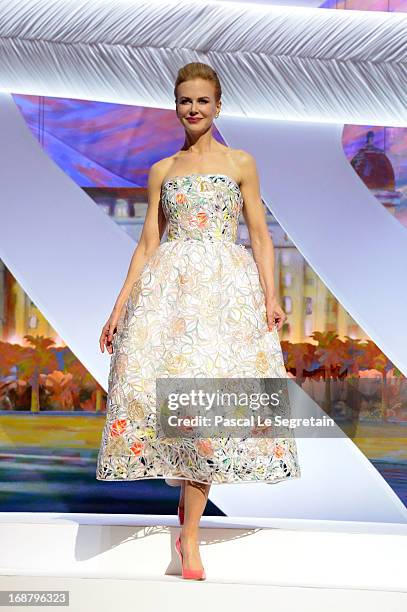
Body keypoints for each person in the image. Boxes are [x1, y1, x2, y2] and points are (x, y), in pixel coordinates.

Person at [96, 62, 301, 580]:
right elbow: (147, 243)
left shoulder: (240, 162)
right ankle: (188, 533)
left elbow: (259, 235)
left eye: (202, 101)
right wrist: (120, 306)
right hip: (169, 292)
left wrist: (271, 296)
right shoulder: (161, 170)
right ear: (176, 105)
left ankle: (188, 538)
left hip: (224, 294)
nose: (193, 109)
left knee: (209, 412)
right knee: (169, 407)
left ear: (218, 105)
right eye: (185, 100)